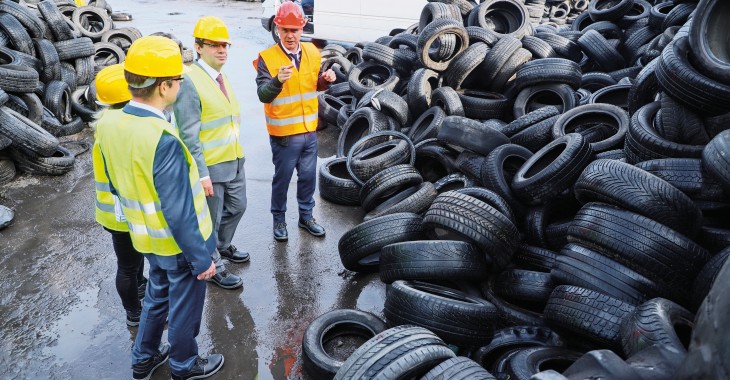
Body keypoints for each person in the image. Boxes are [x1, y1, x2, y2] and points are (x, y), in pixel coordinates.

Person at [96, 35, 224, 380]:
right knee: (184, 308)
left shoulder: (109, 123)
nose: (180, 85)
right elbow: (180, 210)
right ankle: (184, 365)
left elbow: (113, 179)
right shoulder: (161, 137)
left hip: (145, 238)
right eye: (178, 80)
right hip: (177, 243)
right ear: (166, 86)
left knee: (156, 298)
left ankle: (144, 358)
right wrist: (201, 258)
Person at [174, 16, 247, 290]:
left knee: (239, 207)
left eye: (225, 45)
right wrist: (201, 173)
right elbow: (188, 134)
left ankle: (223, 246)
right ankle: (214, 263)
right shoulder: (191, 81)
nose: (222, 50)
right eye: (214, 45)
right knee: (210, 220)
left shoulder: (220, 75)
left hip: (235, 159)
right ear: (198, 47)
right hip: (212, 167)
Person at [254, 1, 336, 241]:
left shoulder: (312, 52)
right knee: (282, 179)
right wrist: (277, 80)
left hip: (309, 132)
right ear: (277, 28)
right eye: (285, 30)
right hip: (284, 136)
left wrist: (326, 80)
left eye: (294, 30)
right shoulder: (267, 59)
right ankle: (279, 220)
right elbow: (262, 94)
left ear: (302, 29)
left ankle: (306, 217)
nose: (290, 35)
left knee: (309, 177)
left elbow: (313, 85)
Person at [91, 64, 147, 327]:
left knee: (132, 262)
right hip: (123, 210)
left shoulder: (105, 123)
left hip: (111, 211)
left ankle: (139, 289)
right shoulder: (125, 126)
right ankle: (134, 314)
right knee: (127, 266)